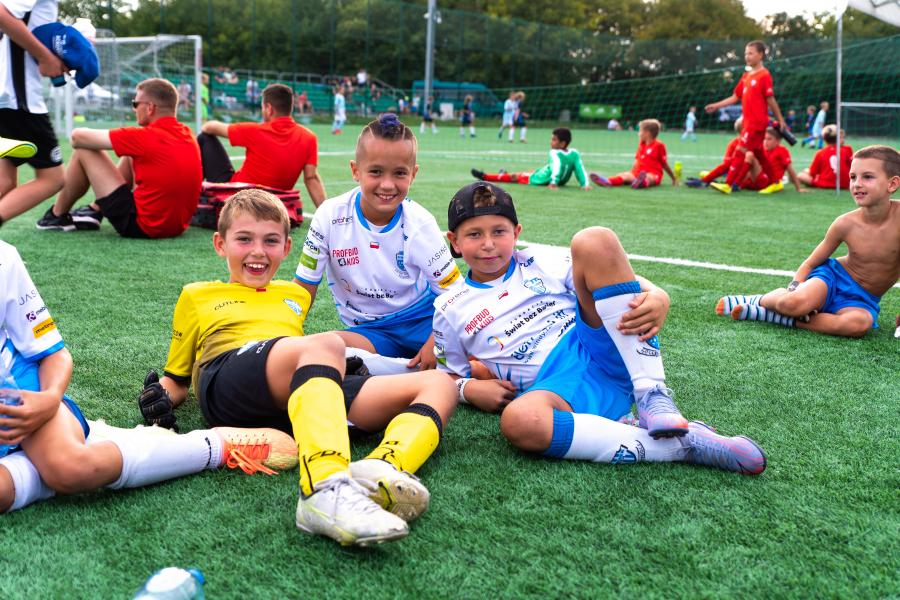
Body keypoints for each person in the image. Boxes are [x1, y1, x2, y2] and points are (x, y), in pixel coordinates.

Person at [139, 188, 457, 545]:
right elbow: (177, 379)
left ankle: (381, 468)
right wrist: (158, 397)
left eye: (270, 241)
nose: (258, 251)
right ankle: (323, 487)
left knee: (439, 384)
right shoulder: (197, 295)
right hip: (228, 380)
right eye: (244, 239)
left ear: (287, 247)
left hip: (291, 398)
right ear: (220, 244)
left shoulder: (294, 294)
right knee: (328, 343)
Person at [432, 181, 767, 474]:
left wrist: (657, 294)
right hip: (556, 390)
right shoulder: (449, 308)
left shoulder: (538, 260)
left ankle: (652, 394)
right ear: (455, 242)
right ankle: (682, 445)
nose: (488, 243)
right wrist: (468, 390)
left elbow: (614, 275)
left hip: (603, 347)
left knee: (594, 240)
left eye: (499, 231)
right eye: (474, 234)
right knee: (520, 422)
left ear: (516, 233)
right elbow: (448, 377)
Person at [0, 239, 300, 515]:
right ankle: (106, 442)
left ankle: (214, 445)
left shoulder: (5, 258)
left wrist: (49, 398)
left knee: (71, 469)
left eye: (270, 240)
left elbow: (52, 351)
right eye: (245, 239)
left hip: (21, 399)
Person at [294, 114, 461, 366]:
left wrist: (437, 338)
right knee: (320, 349)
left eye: (399, 173)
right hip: (370, 332)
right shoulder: (329, 216)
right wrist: (285, 329)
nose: (387, 184)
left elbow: (456, 295)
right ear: (355, 171)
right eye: (376, 172)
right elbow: (304, 287)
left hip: (424, 322)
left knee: (481, 346)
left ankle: (459, 378)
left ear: (413, 174)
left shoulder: (421, 224)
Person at [717, 145, 899, 337]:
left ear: (892, 184)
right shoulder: (845, 223)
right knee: (792, 304)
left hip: (861, 301)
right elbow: (810, 263)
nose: (857, 184)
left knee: (858, 325)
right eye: (853, 177)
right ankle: (759, 301)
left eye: (867, 177)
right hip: (832, 279)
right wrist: (794, 289)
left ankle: (773, 316)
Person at [36, 78, 202, 238]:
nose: (134, 109)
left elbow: (77, 137)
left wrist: (112, 135)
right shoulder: (188, 134)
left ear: (150, 108)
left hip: (142, 226)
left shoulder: (143, 136)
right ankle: (95, 210)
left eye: (135, 104)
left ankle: (56, 215)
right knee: (131, 154)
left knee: (83, 149)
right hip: (177, 226)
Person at [197, 83, 326, 207]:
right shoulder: (309, 137)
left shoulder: (255, 131)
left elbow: (208, 127)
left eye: (262, 107)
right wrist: (326, 213)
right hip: (274, 204)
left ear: (269, 109)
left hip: (237, 198)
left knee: (204, 138)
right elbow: (311, 178)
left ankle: (193, 195)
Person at [0, 0, 67, 229]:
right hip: (19, 101)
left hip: (8, 98)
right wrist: (46, 57)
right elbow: (2, 14)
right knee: (52, 179)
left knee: (4, 182)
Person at [704, 40, 788, 195]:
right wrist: (716, 105)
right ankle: (776, 183)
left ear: (760, 55)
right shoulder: (746, 76)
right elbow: (735, 97)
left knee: (740, 149)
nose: (747, 56)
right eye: (746, 53)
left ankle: (728, 184)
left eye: (751, 53)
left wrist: (781, 119)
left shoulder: (764, 75)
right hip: (748, 122)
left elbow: (771, 99)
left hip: (757, 122)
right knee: (759, 154)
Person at [471, 127, 590, 191]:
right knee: (525, 173)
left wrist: (554, 182)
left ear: (563, 143)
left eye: (554, 140)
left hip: (539, 179)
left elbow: (557, 167)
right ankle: (501, 174)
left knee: (515, 177)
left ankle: (486, 177)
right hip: (544, 173)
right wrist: (584, 184)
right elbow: (579, 169)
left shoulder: (554, 153)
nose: (551, 142)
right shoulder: (574, 153)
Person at [589, 119, 678, 189]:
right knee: (624, 175)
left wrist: (673, 178)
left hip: (654, 173)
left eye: (640, 131)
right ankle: (607, 181)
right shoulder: (641, 144)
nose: (638, 133)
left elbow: (664, 164)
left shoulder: (659, 145)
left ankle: (642, 182)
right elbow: (637, 161)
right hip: (637, 172)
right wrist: (632, 172)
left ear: (647, 133)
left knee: (649, 178)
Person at [685, 118, 742, 188]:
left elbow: (727, 163)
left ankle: (708, 180)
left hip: (742, 177)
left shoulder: (735, 143)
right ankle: (709, 180)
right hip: (738, 173)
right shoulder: (738, 143)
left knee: (732, 163)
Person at [797, 125, 853, 190]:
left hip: (825, 183)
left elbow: (812, 173)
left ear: (824, 138)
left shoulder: (820, 153)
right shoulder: (847, 149)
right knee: (806, 170)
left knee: (800, 175)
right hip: (846, 183)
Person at [755, 127, 805, 194]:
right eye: (764, 139)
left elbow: (790, 169)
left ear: (778, 141)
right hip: (761, 179)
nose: (766, 142)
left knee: (750, 156)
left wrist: (798, 188)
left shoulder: (781, 150)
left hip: (770, 181)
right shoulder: (763, 150)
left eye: (769, 139)